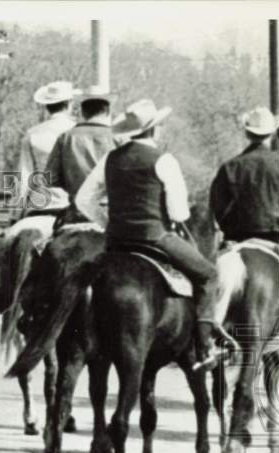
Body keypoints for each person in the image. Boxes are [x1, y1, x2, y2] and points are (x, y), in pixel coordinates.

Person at [76, 98, 237, 369]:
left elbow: (83, 199)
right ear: (154, 130)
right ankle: (204, 346)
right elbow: (179, 214)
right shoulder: (164, 160)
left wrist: (107, 224)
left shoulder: (110, 158)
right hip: (156, 238)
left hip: (116, 241)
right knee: (208, 275)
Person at [44, 86, 117, 225]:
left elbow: (50, 179)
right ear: (108, 111)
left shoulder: (65, 138)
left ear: (82, 111)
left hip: (77, 212)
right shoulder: (119, 138)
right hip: (112, 214)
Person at [209, 106, 279, 245]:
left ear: (247, 134)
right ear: (272, 134)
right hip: (277, 236)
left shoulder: (229, 167)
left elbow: (218, 208)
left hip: (238, 237)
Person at [15, 81, 77, 218]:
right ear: (69, 104)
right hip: (71, 205)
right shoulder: (77, 133)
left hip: (40, 204)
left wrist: (16, 214)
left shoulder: (32, 134)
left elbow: (25, 178)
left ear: (47, 107)